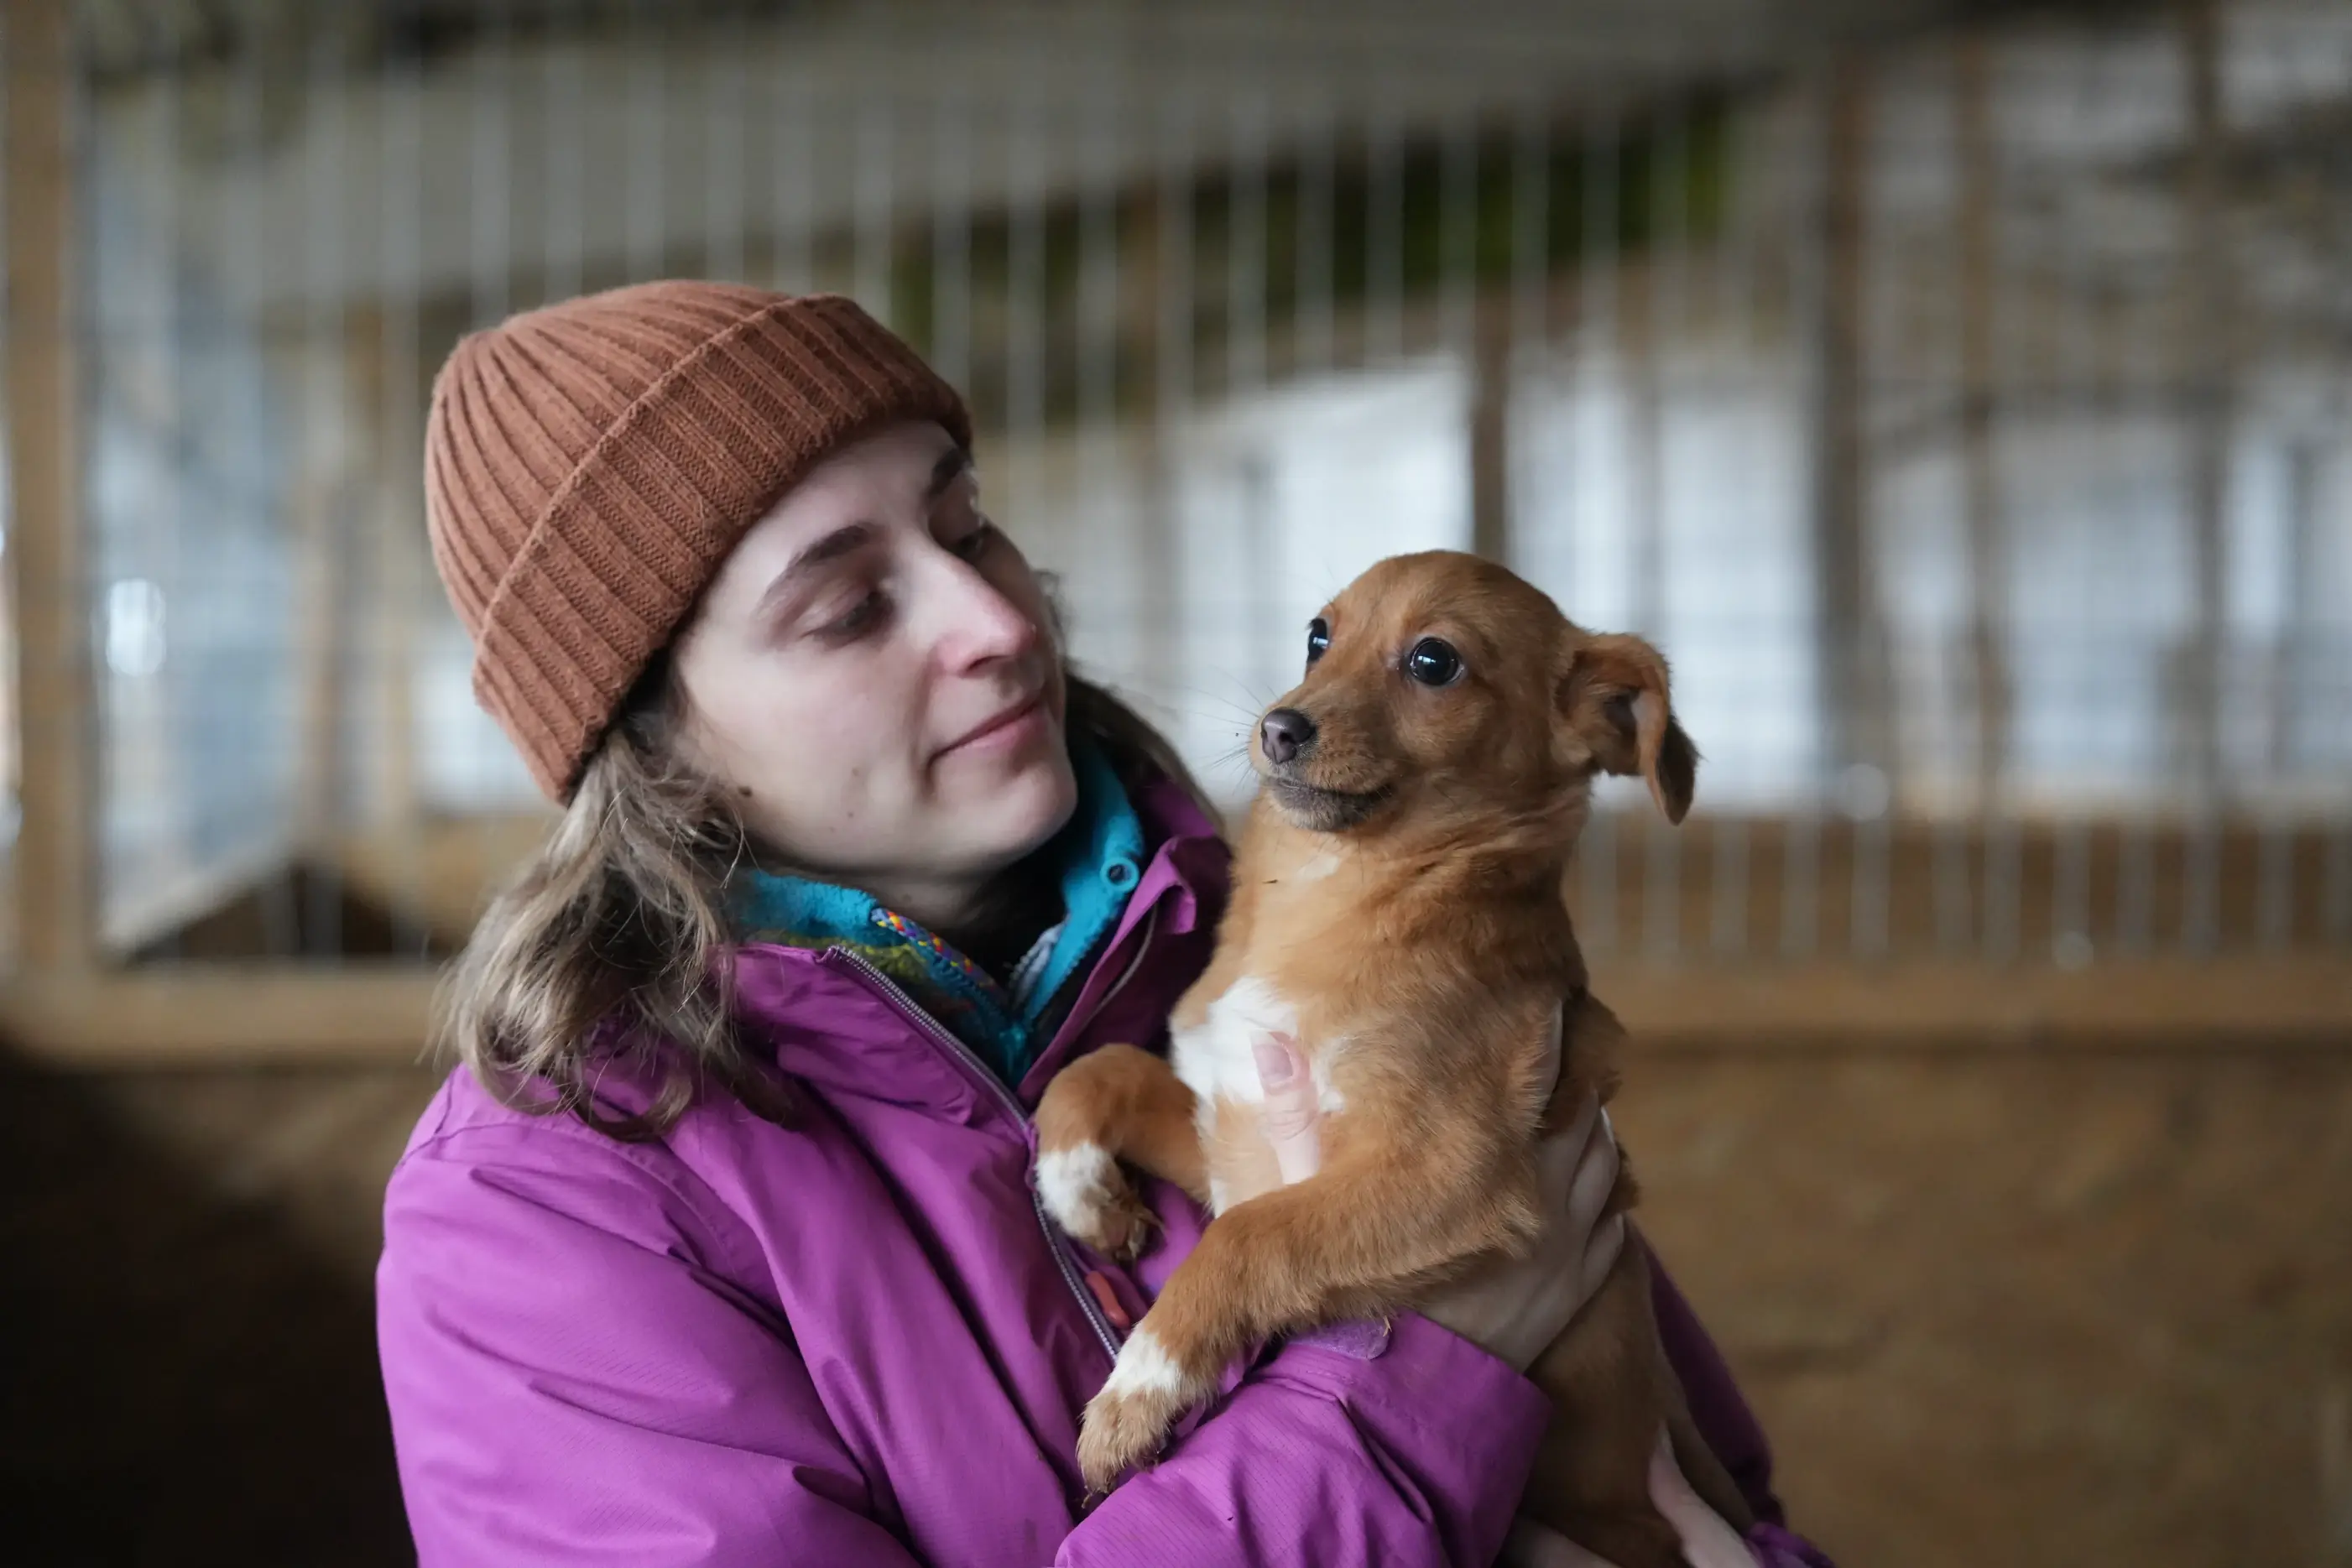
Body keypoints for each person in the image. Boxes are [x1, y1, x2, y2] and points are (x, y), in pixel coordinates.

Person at [378, 280, 1836, 1568]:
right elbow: (1468, 1316)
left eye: (968, 526)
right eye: (849, 607)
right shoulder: (545, 1209)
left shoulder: (1274, 940)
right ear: (650, 747)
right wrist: (1399, 1393)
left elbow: (1703, 1484)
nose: (999, 621)